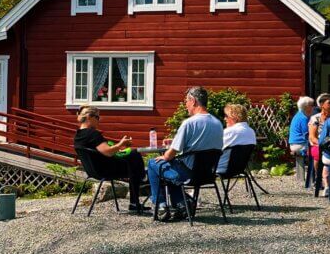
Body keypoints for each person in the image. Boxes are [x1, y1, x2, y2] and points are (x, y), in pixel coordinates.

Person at [147, 87, 224, 220]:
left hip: (189, 174)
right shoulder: (218, 123)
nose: (185, 105)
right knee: (170, 166)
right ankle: (181, 203)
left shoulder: (189, 123)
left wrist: (165, 156)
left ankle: (160, 206)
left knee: (154, 163)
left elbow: (172, 152)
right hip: (207, 174)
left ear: (193, 101)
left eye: (186, 102)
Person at [74, 106, 146, 211]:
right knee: (134, 156)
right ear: (89, 117)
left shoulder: (78, 136)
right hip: (105, 170)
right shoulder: (93, 134)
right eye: (97, 117)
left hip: (93, 171)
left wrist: (119, 147)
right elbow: (107, 152)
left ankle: (142, 179)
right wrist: (120, 144)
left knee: (132, 159)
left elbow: (103, 151)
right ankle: (142, 181)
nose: (99, 120)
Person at [217, 104, 257, 173]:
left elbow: (215, 149)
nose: (224, 119)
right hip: (239, 169)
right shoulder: (251, 131)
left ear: (234, 117)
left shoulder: (229, 132)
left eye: (226, 116)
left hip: (221, 168)